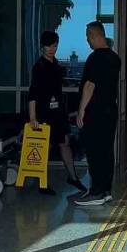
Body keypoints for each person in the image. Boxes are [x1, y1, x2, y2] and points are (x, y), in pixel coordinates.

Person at [28, 31, 87, 195]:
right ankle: (42, 183)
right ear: (42, 47)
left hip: (58, 112)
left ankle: (73, 177)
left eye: (54, 46)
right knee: (45, 146)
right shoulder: (39, 67)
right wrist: (33, 117)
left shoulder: (57, 66)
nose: (51, 49)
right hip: (44, 112)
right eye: (48, 46)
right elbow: (33, 93)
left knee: (64, 143)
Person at [75, 22, 121, 206]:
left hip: (96, 111)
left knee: (94, 151)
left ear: (95, 35)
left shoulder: (95, 58)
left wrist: (81, 110)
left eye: (88, 37)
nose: (87, 40)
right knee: (106, 150)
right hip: (110, 110)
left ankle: (97, 192)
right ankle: (106, 190)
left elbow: (90, 85)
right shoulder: (115, 58)